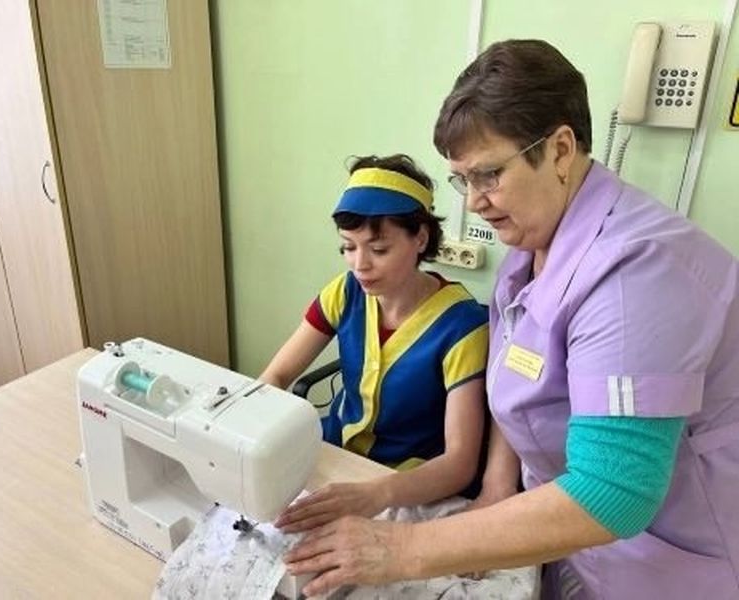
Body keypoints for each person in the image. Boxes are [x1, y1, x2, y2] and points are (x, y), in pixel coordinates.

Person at [284, 40, 739, 599]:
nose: (473, 202)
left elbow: (613, 493)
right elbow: (518, 386)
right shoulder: (530, 253)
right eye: (463, 180)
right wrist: (498, 485)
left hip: (668, 561)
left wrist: (399, 549)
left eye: (488, 175)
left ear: (560, 150)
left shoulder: (636, 272)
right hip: (564, 538)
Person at [260, 154, 490, 534]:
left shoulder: (462, 327)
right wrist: (251, 436)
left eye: (378, 249)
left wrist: (377, 494)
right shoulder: (345, 291)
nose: (359, 265)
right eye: (348, 247)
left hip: (407, 482)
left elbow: (460, 463)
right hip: (335, 453)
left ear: (420, 238)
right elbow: (278, 375)